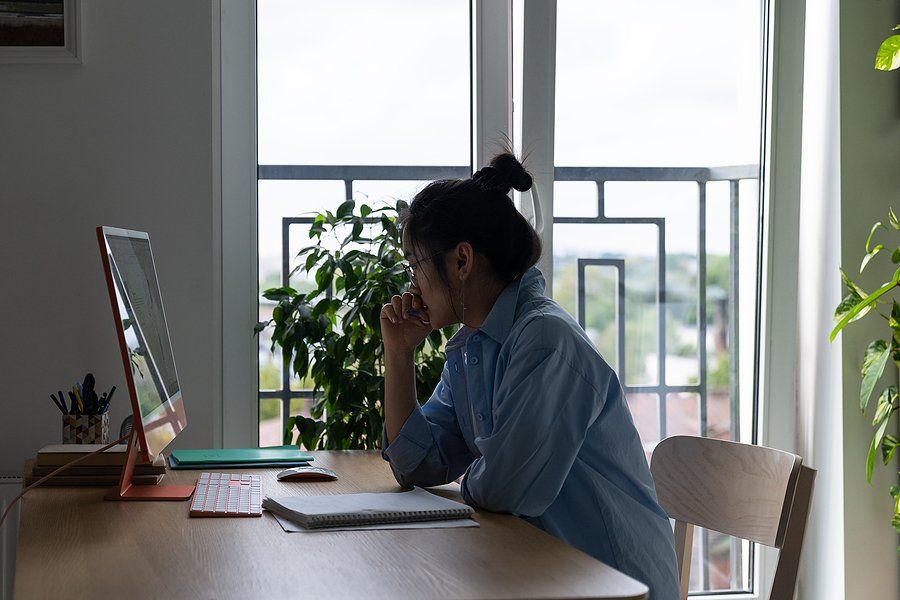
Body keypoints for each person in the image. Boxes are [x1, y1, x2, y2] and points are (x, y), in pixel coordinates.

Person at [379, 153, 679, 600]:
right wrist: (399, 354)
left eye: (414, 265)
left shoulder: (545, 341)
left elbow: (504, 490)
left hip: (611, 583)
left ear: (462, 261)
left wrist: (476, 472)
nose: (411, 284)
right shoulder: (472, 347)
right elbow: (417, 465)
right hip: (539, 573)